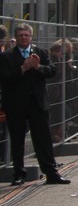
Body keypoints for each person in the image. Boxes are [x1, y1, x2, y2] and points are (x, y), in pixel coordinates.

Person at [0, 22, 69, 185]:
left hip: (38, 103)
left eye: (26, 35)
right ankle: (19, 174)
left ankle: (51, 173)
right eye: (20, 35)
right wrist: (23, 68)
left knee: (43, 138)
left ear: (31, 37)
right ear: (16, 37)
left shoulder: (41, 53)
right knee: (17, 139)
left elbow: (51, 71)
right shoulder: (6, 56)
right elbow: (4, 78)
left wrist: (38, 67)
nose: (24, 38)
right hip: (16, 104)